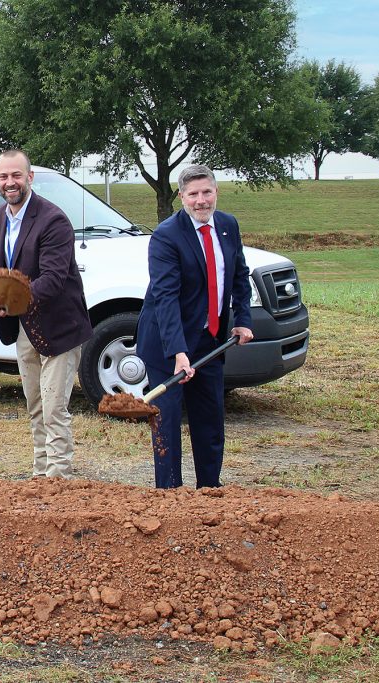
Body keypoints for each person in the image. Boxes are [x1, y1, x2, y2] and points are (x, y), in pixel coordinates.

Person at [136, 164, 254, 489]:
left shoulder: (228, 226)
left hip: (210, 340)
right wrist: (177, 352)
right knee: (168, 423)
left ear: (216, 192)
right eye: (193, 195)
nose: (201, 201)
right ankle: (170, 496)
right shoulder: (166, 236)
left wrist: (242, 319)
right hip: (166, 343)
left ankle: (209, 491)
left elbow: (240, 275)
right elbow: (165, 297)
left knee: (210, 420)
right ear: (182, 197)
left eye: (206, 192)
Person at [0, 150, 93, 479]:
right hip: (23, 328)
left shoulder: (53, 220)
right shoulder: (3, 214)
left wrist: (10, 301)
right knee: (36, 406)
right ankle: (40, 475)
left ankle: (59, 479)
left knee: (54, 408)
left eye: (16, 175)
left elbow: (53, 279)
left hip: (59, 329)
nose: (10, 182)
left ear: (29, 178)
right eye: (3, 176)